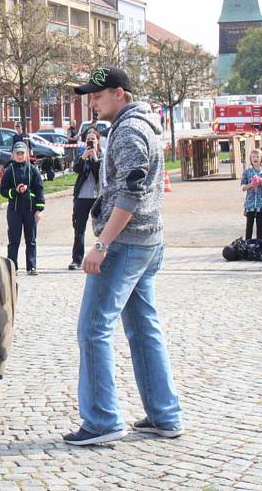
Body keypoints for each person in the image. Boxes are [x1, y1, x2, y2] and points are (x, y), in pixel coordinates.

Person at [63, 66, 182, 446]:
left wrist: (101, 245)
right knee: (144, 329)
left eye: (98, 96)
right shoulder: (140, 124)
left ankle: (102, 421)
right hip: (147, 241)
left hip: (125, 243)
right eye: (90, 97)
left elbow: (130, 194)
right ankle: (165, 415)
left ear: (121, 94)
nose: (92, 103)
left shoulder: (129, 131)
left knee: (93, 329)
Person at [0, 141, 44, 275]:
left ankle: (32, 267)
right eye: (17, 153)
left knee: (31, 240)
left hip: (30, 210)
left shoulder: (33, 169)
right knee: (14, 240)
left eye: (22, 153)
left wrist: (39, 209)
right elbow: (3, 191)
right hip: (14, 210)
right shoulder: (9, 171)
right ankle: (12, 267)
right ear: (13, 155)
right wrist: (15, 191)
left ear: (26, 154)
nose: (20, 156)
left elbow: (40, 190)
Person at [68, 129, 102, 270]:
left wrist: (94, 158)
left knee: (102, 229)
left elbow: (100, 174)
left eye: (93, 139)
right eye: (88, 139)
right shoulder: (82, 155)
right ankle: (77, 260)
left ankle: (102, 258)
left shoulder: (102, 155)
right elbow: (76, 169)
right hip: (82, 198)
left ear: (98, 141)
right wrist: (84, 157)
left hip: (97, 198)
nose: (91, 141)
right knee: (79, 229)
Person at [241, 149, 262, 241]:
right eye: (253, 157)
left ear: (261, 158)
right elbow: (243, 187)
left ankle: (259, 243)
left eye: (257, 156)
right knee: (249, 223)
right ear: (250, 159)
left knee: (259, 223)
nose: (255, 158)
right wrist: (251, 185)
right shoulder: (247, 171)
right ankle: (247, 243)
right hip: (250, 203)